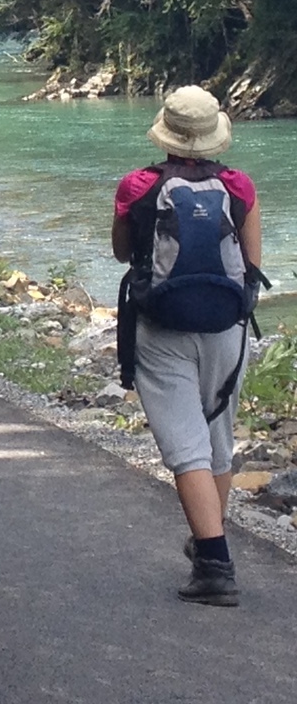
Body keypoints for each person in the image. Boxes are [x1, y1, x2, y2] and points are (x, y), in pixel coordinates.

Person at [111, 85, 263, 607]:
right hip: (226, 329)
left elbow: (121, 253)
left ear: (167, 133)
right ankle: (207, 544)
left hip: (162, 330)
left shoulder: (137, 185)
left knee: (185, 447)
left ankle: (215, 565)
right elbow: (252, 265)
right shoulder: (239, 186)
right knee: (216, 440)